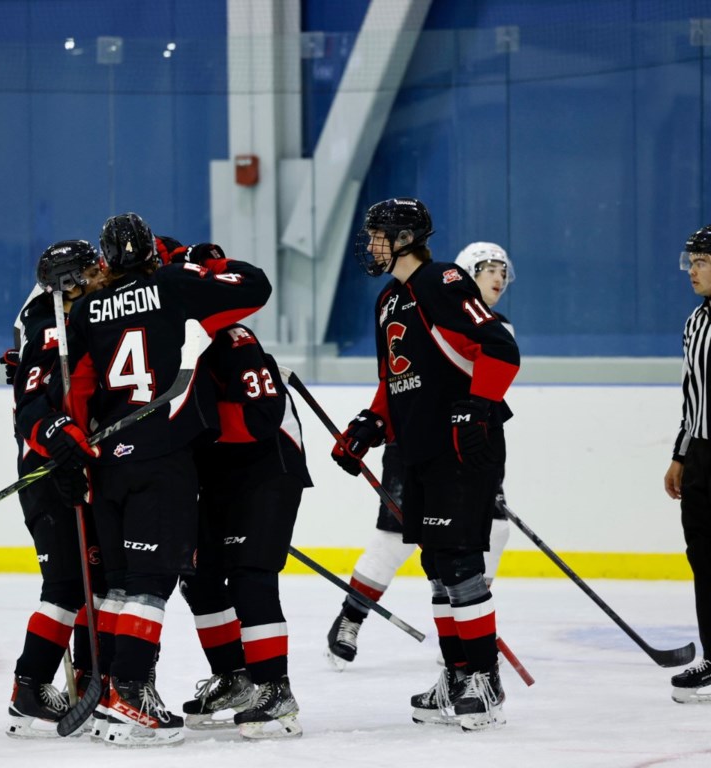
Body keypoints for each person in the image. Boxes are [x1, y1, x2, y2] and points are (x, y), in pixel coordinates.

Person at [47, 213, 272, 747]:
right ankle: (129, 692)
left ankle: (110, 695)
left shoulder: (87, 310)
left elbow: (72, 389)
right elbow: (254, 288)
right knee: (149, 585)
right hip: (163, 456)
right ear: (151, 250)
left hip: (108, 461)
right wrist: (206, 263)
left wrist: (71, 451)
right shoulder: (174, 285)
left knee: (121, 583)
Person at [329, 198, 519, 731]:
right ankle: (458, 675)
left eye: (379, 236)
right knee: (437, 567)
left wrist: (477, 407)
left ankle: (485, 679)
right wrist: (370, 424)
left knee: (460, 562)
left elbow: (499, 347)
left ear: (407, 236)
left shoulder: (443, 280)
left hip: (461, 445)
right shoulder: (389, 299)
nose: (371, 245)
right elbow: (398, 381)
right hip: (417, 447)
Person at [178, 314, 312, 739]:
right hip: (222, 475)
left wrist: (194, 426)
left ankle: (275, 688)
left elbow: (261, 418)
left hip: (268, 468)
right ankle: (235, 677)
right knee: (198, 578)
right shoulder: (171, 339)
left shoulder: (234, 339)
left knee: (250, 576)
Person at [6, 241, 108, 738]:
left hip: (76, 471)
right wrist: (55, 445)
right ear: (66, 282)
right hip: (47, 475)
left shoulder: (74, 318)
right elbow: (31, 410)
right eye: (88, 271)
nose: (97, 275)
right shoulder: (50, 328)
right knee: (68, 585)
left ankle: (91, 682)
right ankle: (28, 687)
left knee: (95, 582)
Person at [664, 223, 711, 704]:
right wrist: (680, 455)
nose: (692, 271)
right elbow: (691, 396)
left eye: (701, 261)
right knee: (703, 557)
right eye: (690, 261)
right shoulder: (695, 321)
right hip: (699, 455)